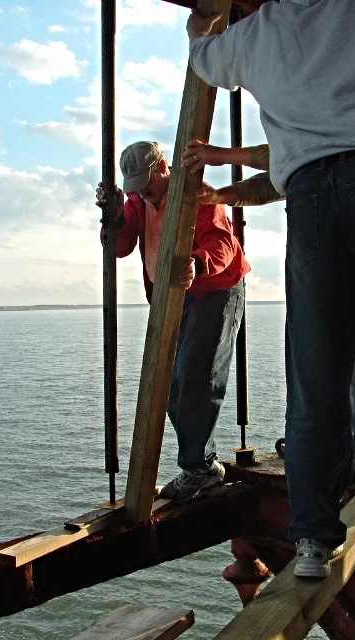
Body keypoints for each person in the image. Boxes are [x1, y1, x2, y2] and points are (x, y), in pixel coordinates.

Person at [186, 0, 355, 579]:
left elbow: (207, 60)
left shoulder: (259, 30)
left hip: (313, 200)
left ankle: (312, 544)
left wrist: (199, 28)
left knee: (316, 375)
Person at [182, 141, 355, 482]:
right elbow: (279, 176)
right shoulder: (316, 160)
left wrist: (221, 156)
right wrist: (218, 196)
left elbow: (290, 155)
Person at [96, 140, 250, 503]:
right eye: (135, 188)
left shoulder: (193, 194)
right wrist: (115, 214)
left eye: (146, 184)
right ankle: (201, 465)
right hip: (172, 297)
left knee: (196, 376)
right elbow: (119, 247)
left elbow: (223, 243)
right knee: (170, 381)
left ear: (163, 167)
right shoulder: (138, 201)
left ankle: (199, 466)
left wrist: (196, 262)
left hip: (214, 291)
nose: (144, 194)